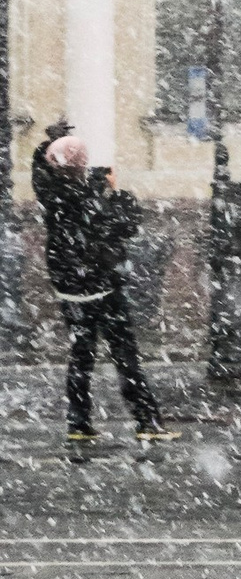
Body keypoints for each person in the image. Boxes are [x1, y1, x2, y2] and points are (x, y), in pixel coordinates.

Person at [32, 129, 170, 448]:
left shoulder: (51, 190)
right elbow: (122, 226)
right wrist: (116, 193)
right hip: (101, 289)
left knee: (81, 356)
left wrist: (49, 148)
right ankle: (146, 420)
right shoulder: (89, 198)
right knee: (125, 356)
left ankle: (79, 422)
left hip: (70, 291)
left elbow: (43, 168)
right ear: (81, 166)